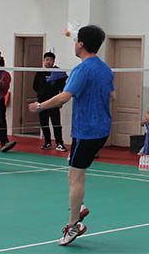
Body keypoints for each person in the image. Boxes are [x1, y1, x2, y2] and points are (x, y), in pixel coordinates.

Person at [28, 25, 114, 247]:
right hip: (101, 129)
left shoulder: (81, 70)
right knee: (72, 167)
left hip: (86, 131)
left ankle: (74, 225)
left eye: (76, 40)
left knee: (77, 177)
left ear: (81, 44)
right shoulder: (106, 69)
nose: (75, 43)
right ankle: (80, 206)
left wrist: (39, 106)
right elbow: (113, 95)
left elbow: (64, 97)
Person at [33, 52, 68, 151]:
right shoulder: (39, 73)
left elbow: (63, 89)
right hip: (41, 103)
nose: (48, 62)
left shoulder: (58, 73)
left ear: (53, 61)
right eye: (47, 60)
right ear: (44, 61)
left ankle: (59, 143)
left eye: (50, 60)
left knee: (56, 124)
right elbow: (35, 87)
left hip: (54, 103)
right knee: (44, 123)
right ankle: (47, 143)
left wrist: (60, 101)